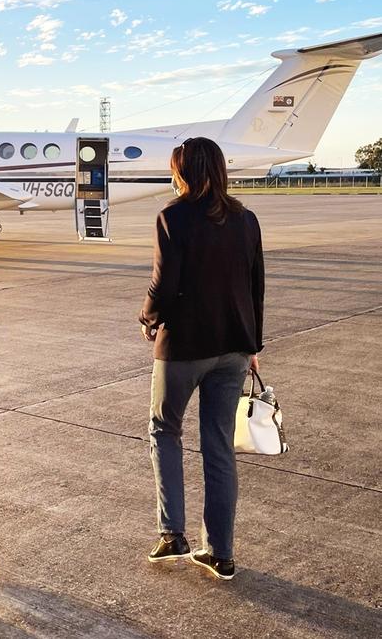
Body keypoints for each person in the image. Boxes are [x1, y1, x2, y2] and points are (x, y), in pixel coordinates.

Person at [139, 137, 264, 581]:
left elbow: (164, 282)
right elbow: (255, 287)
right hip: (233, 348)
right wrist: (253, 347)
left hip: (184, 347)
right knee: (218, 447)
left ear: (183, 171)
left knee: (164, 429)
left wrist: (148, 317)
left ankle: (172, 533)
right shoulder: (246, 219)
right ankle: (221, 553)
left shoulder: (173, 216)